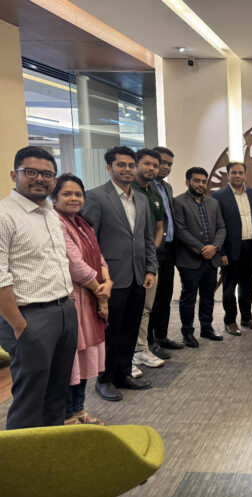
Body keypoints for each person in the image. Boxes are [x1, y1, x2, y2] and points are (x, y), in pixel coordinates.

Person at [0, 147, 78, 429]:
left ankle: (50, 449)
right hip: (29, 317)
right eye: (30, 172)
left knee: (57, 392)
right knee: (30, 398)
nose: (40, 179)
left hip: (64, 311)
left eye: (47, 174)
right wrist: (20, 326)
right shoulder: (4, 215)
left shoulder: (50, 213)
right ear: (14, 175)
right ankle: (20, 454)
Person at [82, 146, 158, 401]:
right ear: (109, 167)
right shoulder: (96, 197)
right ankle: (104, 379)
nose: (127, 169)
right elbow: (90, 243)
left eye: (130, 165)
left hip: (138, 275)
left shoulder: (141, 199)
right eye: (121, 165)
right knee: (110, 332)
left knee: (130, 327)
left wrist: (151, 268)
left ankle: (123, 373)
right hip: (111, 278)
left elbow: (147, 238)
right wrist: (98, 278)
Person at [52, 174, 109, 426]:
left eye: (78, 194)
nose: (74, 198)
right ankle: (66, 415)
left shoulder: (83, 224)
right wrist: (101, 291)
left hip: (91, 296)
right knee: (72, 358)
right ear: (54, 197)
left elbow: (99, 257)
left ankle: (79, 409)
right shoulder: (56, 223)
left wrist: (108, 282)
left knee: (86, 358)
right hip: (73, 299)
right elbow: (75, 266)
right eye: (67, 194)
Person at [173, 167, 227, 347]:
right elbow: (180, 230)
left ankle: (206, 328)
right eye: (196, 181)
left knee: (208, 296)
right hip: (190, 259)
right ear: (187, 182)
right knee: (188, 297)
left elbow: (221, 228)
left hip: (211, 259)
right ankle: (187, 332)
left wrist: (215, 247)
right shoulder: (178, 202)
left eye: (203, 181)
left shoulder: (213, 203)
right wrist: (203, 248)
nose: (201, 184)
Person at [213, 161, 252, 336]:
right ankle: (230, 321)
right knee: (229, 287)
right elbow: (217, 225)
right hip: (230, 249)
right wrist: (221, 252)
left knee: (247, 285)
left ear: (245, 175)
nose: (237, 176)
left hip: (250, 247)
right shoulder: (219, 196)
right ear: (228, 175)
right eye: (234, 172)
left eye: (240, 173)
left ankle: (246, 318)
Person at [131, 148, 166, 369]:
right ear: (136, 164)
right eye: (147, 164)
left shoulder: (154, 194)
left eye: (155, 165)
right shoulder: (129, 191)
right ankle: (126, 355)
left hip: (149, 261)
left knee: (145, 308)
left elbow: (159, 227)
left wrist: (151, 252)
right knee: (128, 310)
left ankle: (141, 350)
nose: (151, 168)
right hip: (127, 263)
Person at [149, 146, 183, 352]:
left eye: (169, 164)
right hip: (153, 248)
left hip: (169, 248)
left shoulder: (167, 187)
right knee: (151, 298)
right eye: (162, 162)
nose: (166, 167)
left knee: (165, 295)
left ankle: (161, 336)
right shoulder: (144, 187)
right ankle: (149, 342)